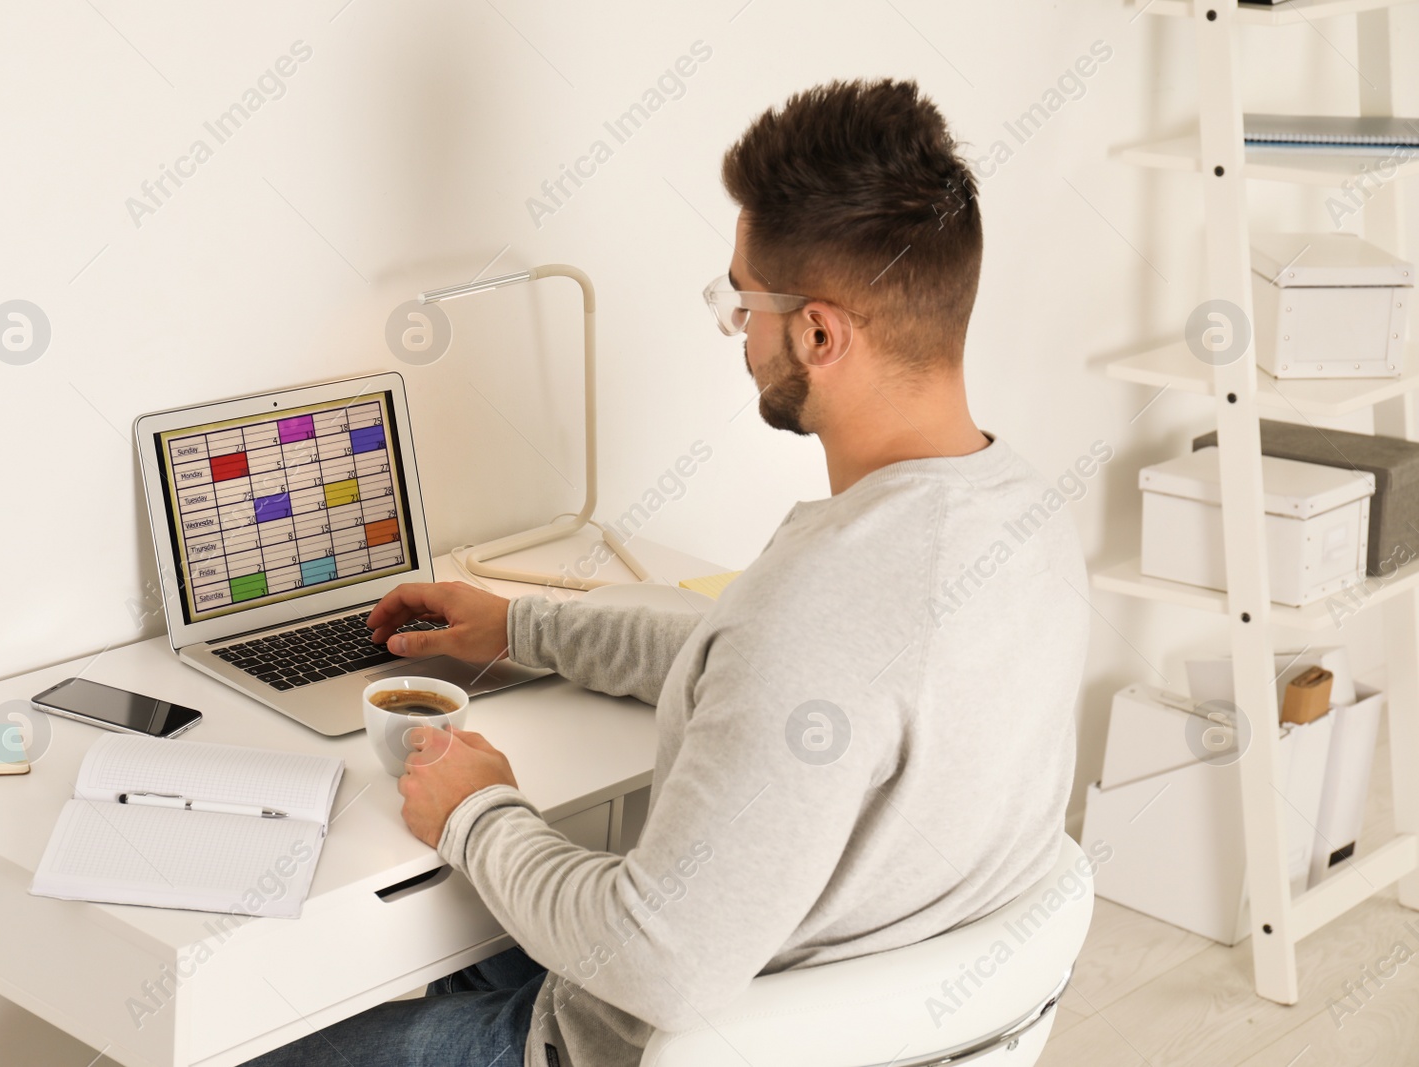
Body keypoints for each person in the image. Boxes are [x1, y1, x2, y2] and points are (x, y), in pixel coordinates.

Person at [246, 77, 1089, 1067]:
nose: (738, 328)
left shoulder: (818, 610)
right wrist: (521, 628)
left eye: (744, 301)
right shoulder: (1025, 519)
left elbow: (658, 960)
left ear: (819, 334)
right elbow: (755, 660)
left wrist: (475, 808)